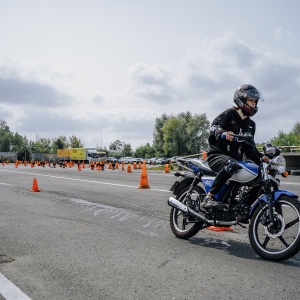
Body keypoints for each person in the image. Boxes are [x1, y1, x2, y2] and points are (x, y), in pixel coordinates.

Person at [202, 84, 268, 209]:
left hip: (235, 160)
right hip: (217, 156)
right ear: (241, 99)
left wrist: (262, 159)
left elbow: (250, 149)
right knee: (231, 164)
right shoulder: (230, 114)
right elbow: (214, 126)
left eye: (255, 101)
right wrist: (222, 133)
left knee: (261, 175)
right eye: (251, 100)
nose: (254, 104)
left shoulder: (251, 124)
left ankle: (242, 207)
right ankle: (209, 197)